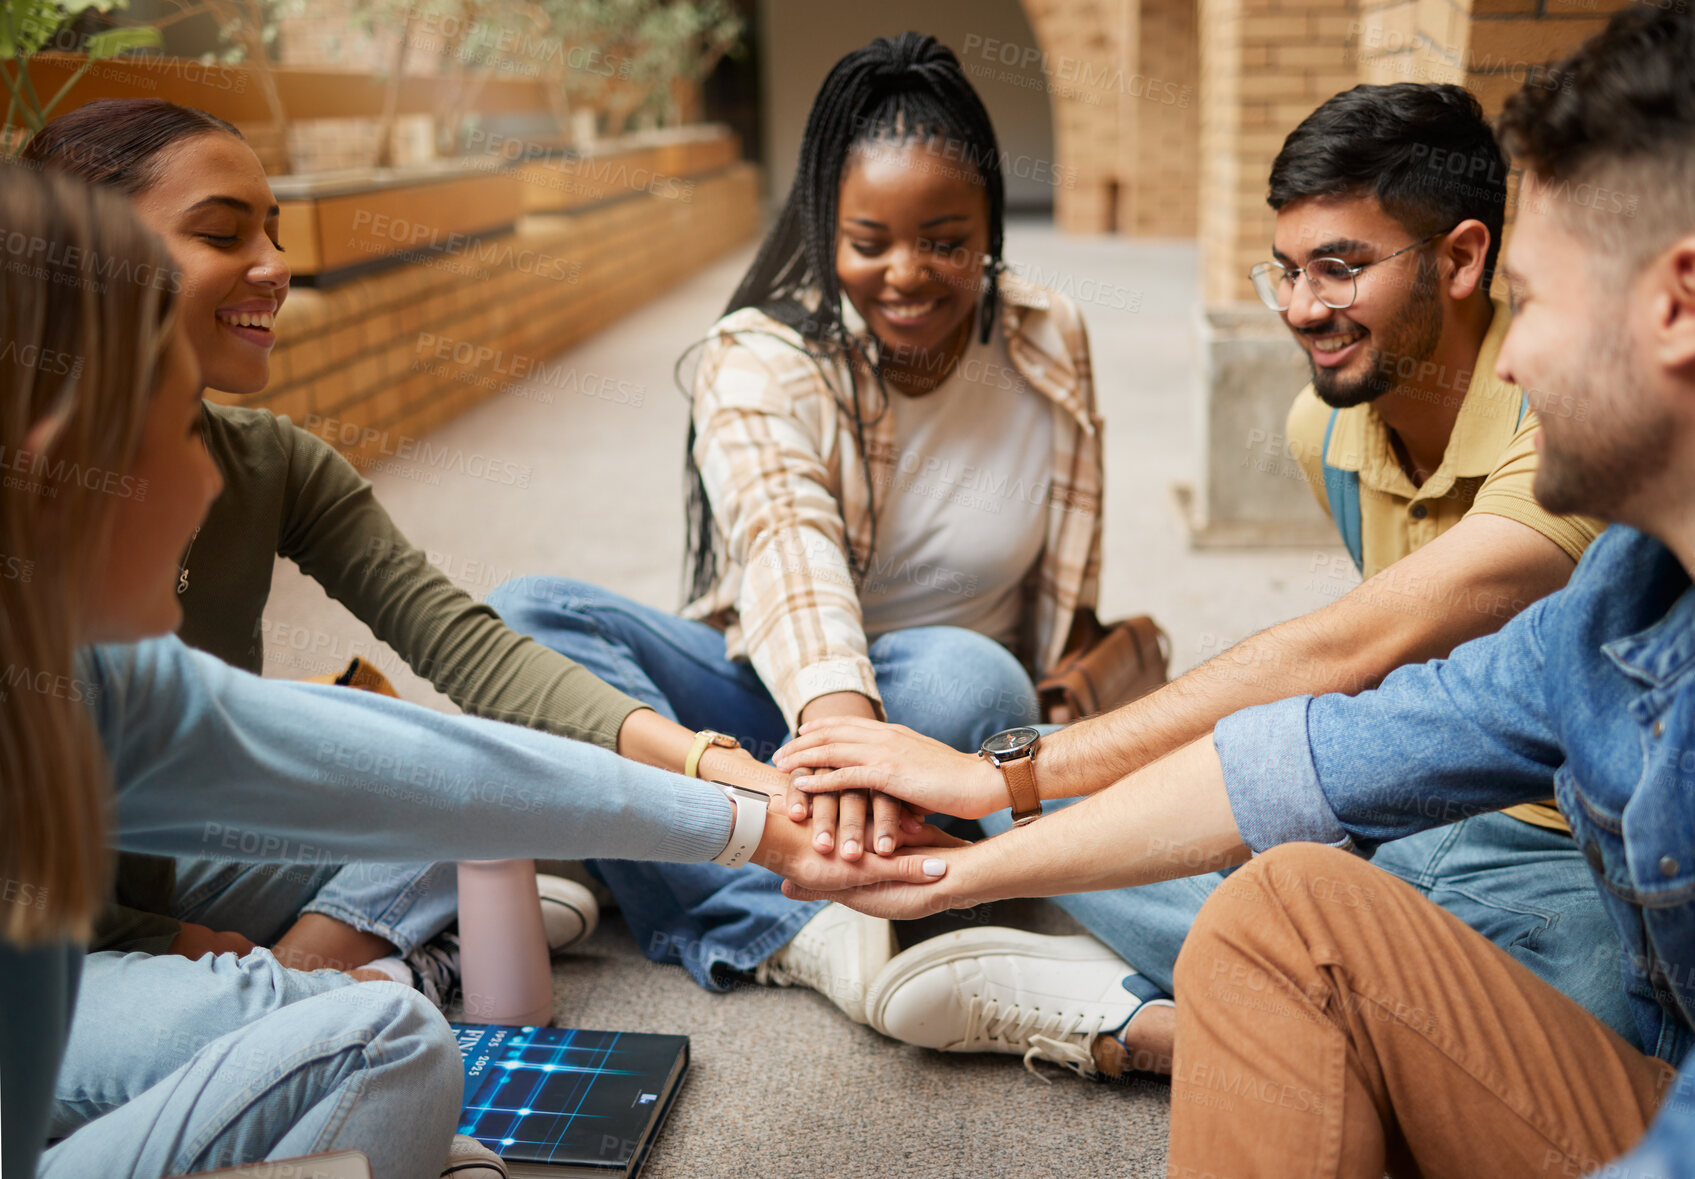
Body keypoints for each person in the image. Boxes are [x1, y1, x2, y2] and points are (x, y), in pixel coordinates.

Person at [788, 8, 1695, 1176]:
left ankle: (1145, 1024)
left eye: (1541, 302)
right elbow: (1315, 747)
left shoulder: (1566, 468)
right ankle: (1211, 1007)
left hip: (1553, 884)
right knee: (1258, 889)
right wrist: (962, 840)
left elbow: (1346, 650)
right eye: (1290, 272)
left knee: (1260, 922)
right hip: (1420, 822)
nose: (1519, 355)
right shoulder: (1614, 593)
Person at [0, 164, 932, 1179]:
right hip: (101, 983)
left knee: (429, 814)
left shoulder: (107, 675)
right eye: (178, 424)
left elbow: (435, 764)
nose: (211, 473)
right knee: (387, 1041)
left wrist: (754, 822)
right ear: (59, 467)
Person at [22, 98, 827, 998]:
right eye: (222, 234)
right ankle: (339, 986)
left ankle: (306, 991)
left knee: (461, 789)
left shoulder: (267, 461)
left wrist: (719, 771)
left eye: (276, 233)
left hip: (177, 870)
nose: (276, 268)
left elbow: (466, 647)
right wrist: (173, 951)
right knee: (370, 1016)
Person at [486, 31, 1103, 1014]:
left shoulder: (1047, 336)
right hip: (784, 702)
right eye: (869, 243)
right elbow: (785, 546)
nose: (908, 274)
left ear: (993, 222)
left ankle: (650, 840)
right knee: (525, 621)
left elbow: (1068, 576)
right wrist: (839, 736)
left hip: (943, 729)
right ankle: (796, 921)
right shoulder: (763, 355)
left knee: (972, 676)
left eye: (946, 242)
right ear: (826, 227)